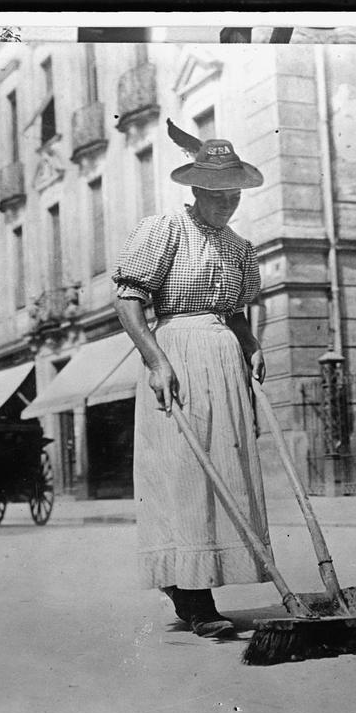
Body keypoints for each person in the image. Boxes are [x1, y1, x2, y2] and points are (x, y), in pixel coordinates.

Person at [113, 126, 270, 638]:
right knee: (183, 470)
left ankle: (202, 582)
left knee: (226, 466)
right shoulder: (163, 231)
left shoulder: (241, 249)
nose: (226, 203)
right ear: (196, 190)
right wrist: (157, 361)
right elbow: (128, 300)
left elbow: (237, 312)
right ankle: (191, 596)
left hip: (223, 359)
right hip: (176, 353)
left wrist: (250, 345)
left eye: (233, 194)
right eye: (216, 193)